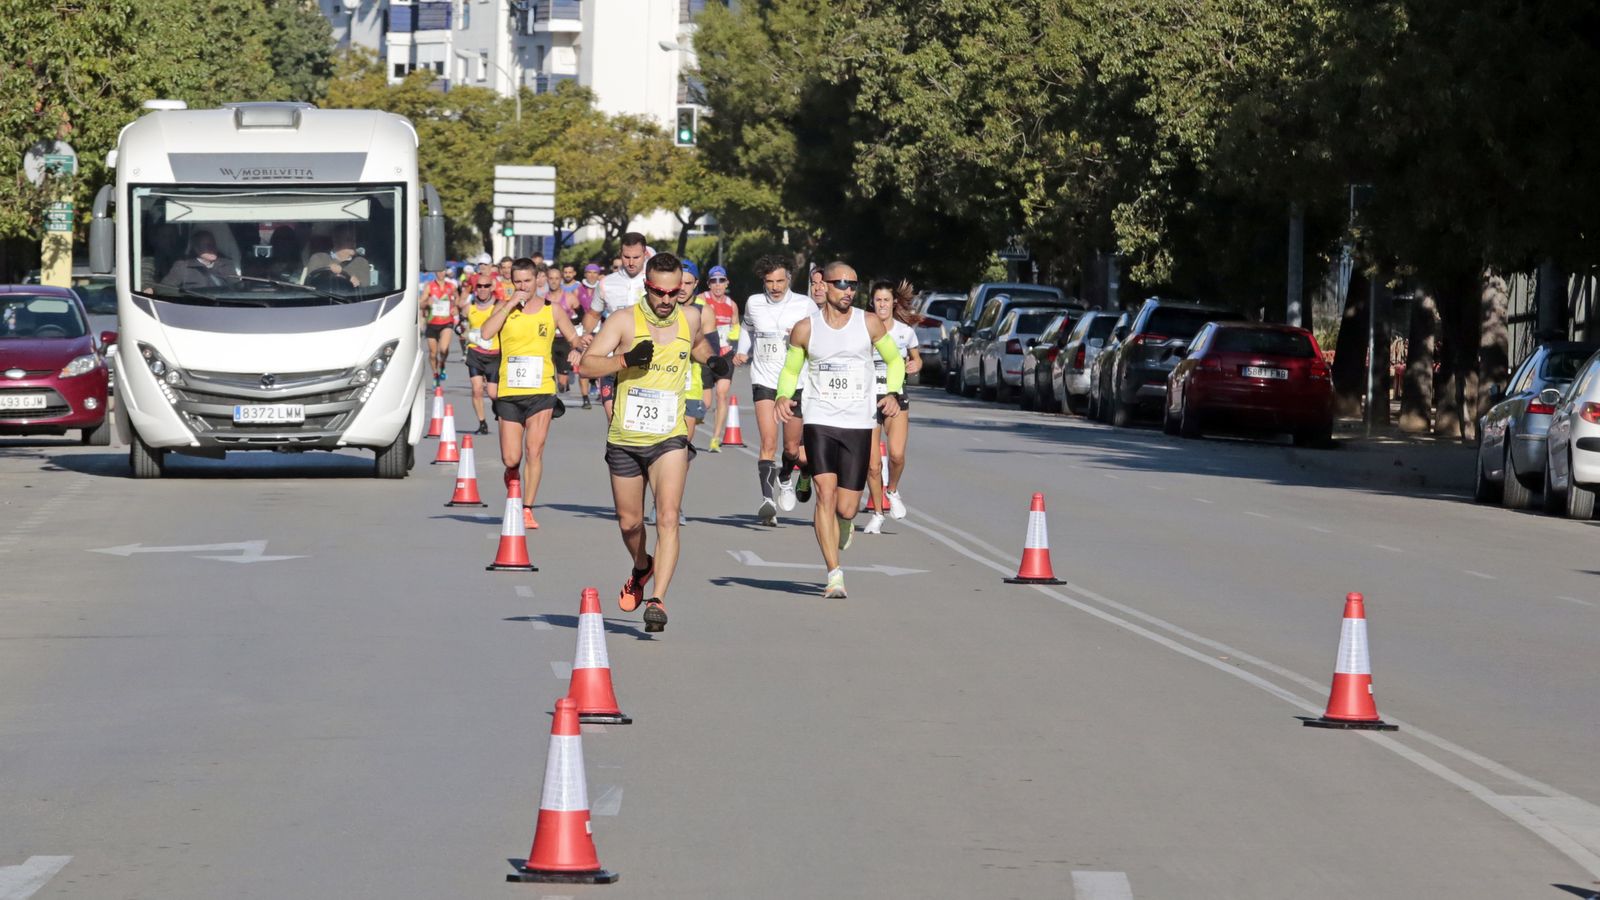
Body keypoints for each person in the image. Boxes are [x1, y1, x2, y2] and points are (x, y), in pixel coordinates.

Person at [579, 251, 728, 632]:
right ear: (647, 287)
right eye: (657, 293)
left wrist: (712, 361)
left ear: (681, 289)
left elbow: (695, 345)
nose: (665, 301)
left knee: (667, 517)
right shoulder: (624, 319)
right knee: (630, 523)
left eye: (672, 293)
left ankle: (658, 599)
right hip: (626, 437)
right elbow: (586, 364)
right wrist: (624, 359)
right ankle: (642, 565)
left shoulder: (690, 316)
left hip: (670, 437)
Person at [775, 262, 905, 598]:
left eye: (853, 285)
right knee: (824, 495)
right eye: (841, 284)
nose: (848, 290)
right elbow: (791, 370)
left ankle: (845, 523)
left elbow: (895, 361)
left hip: (858, 423)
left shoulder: (869, 322)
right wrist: (783, 396)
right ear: (824, 285)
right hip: (820, 420)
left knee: (846, 507)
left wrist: (892, 392)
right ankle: (834, 573)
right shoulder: (805, 329)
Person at [479, 258, 588, 530]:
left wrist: (577, 348)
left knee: (534, 451)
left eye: (527, 281)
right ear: (511, 282)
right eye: (518, 281)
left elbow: (574, 338)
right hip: (510, 391)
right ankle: (513, 476)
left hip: (541, 390)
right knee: (511, 457)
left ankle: (527, 508)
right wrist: (508, 305)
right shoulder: (504, 308)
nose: (523, 286)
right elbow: (485, 333)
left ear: (538, 280)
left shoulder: (552, 310)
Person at [732, 256, 814, 525]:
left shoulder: (805, 305)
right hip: (764, 380)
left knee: (792, 448)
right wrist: (742, 351)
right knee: (768, 442)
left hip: (795, 384)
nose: (775, 287)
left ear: (789, 278)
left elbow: (820, 339)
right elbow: (748, 328)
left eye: (780, 281)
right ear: (763, 281)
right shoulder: (754, 303)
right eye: (770, 281)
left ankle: (787, 477)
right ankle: (768, 502)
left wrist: (802, 336)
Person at [861, 280, 922, 533]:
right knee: (873, 464)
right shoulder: (863, 329)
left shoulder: (904, 331)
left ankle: (893, 489)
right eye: (878, 301)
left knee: (896, 455)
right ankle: (877, 512)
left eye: (886, 300)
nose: (882, 305)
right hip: (867, 397)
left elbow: (917, 358)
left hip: (895, 396)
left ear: (893, 302)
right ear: (872, 303)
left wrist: (915, 365)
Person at [585, 233, 650, 420]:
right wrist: (580, 337)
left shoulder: (653, 281)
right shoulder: (606, 283)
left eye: (636, 257)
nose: (631, 262)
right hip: (612, 361)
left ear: (645, 254)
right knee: (613, 419)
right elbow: (593, 314)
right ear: (620, 254)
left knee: (638, 424)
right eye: (626, 257)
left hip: (645, 360)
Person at [699, 265, 739, 452]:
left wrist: (738, 347)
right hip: (706, 355)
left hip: (725, 355)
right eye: (713, 281)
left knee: (722, 394)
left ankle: (715, 438)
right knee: (705, 403)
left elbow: (736, 328)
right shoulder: (701, 300)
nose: (717, 285)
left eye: (721, 280)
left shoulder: (732, 305)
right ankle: (694, 417)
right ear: (708, 284)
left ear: (727, 283)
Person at [458, 275, 502, 433]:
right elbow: (460, 327)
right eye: (479, 286)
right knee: (477, 389)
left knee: (492, 392)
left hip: (494, 354)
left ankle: (500, 412)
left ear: (492, 287)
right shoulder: (469, 308)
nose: (482, 289)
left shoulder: (498, 306)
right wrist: (463, 331)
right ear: (475, 289)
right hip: (475, 353)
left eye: (486, 286)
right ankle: (482, 423)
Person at [162, 230, 241, 289]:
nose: (212, 248)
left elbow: (238, 288)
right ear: (197, 249)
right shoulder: (183, 267)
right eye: (207, 245)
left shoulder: (226, 264)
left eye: (213, 244)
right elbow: (165, 289)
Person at [420, 268, 458, 385]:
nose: (441, 274)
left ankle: (442, 364)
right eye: (439, 271)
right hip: (432, 323)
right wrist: (427, 303)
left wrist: (456, 308)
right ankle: (435, 373)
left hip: (447, 322)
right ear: (435, 273)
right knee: (432, 353)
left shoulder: (451, 286)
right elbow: (421, 303)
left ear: (445, 272)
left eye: (443, 271)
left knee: (443, 349)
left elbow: (458, 300)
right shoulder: (429, 286)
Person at [574, 263, 605, 408]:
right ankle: (585, 398)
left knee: (599, 363)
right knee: (583, 364)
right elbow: (571, 308)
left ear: (598, 274)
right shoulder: (578, 290)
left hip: (602, 331)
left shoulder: (605, 288)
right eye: (589, 272)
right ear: (585, 274)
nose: (592, 275)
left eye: (595, 273)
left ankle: (600, 390)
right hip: (584, 331)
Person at [305, 224, 372, 289]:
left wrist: (356, 282)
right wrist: (328, 270)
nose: (353, 242)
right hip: (320, 298)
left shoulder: (361, 262)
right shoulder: (318, 258)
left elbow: (366, 291)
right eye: (348, 239)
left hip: (352, 299)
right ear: (336, 240)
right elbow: (309, 284)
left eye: (354, 239)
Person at [548, 265, 578, 395]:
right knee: (548, 371)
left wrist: (567, 324)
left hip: (565, 340)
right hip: (549, 339)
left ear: (560, 279)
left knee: (562, 379)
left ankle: (562, 385)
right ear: (547, 280)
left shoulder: (570, 297)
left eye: (556, 278)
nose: (554, 281)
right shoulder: (543, 298)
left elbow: (581, 316)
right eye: (551, 278)